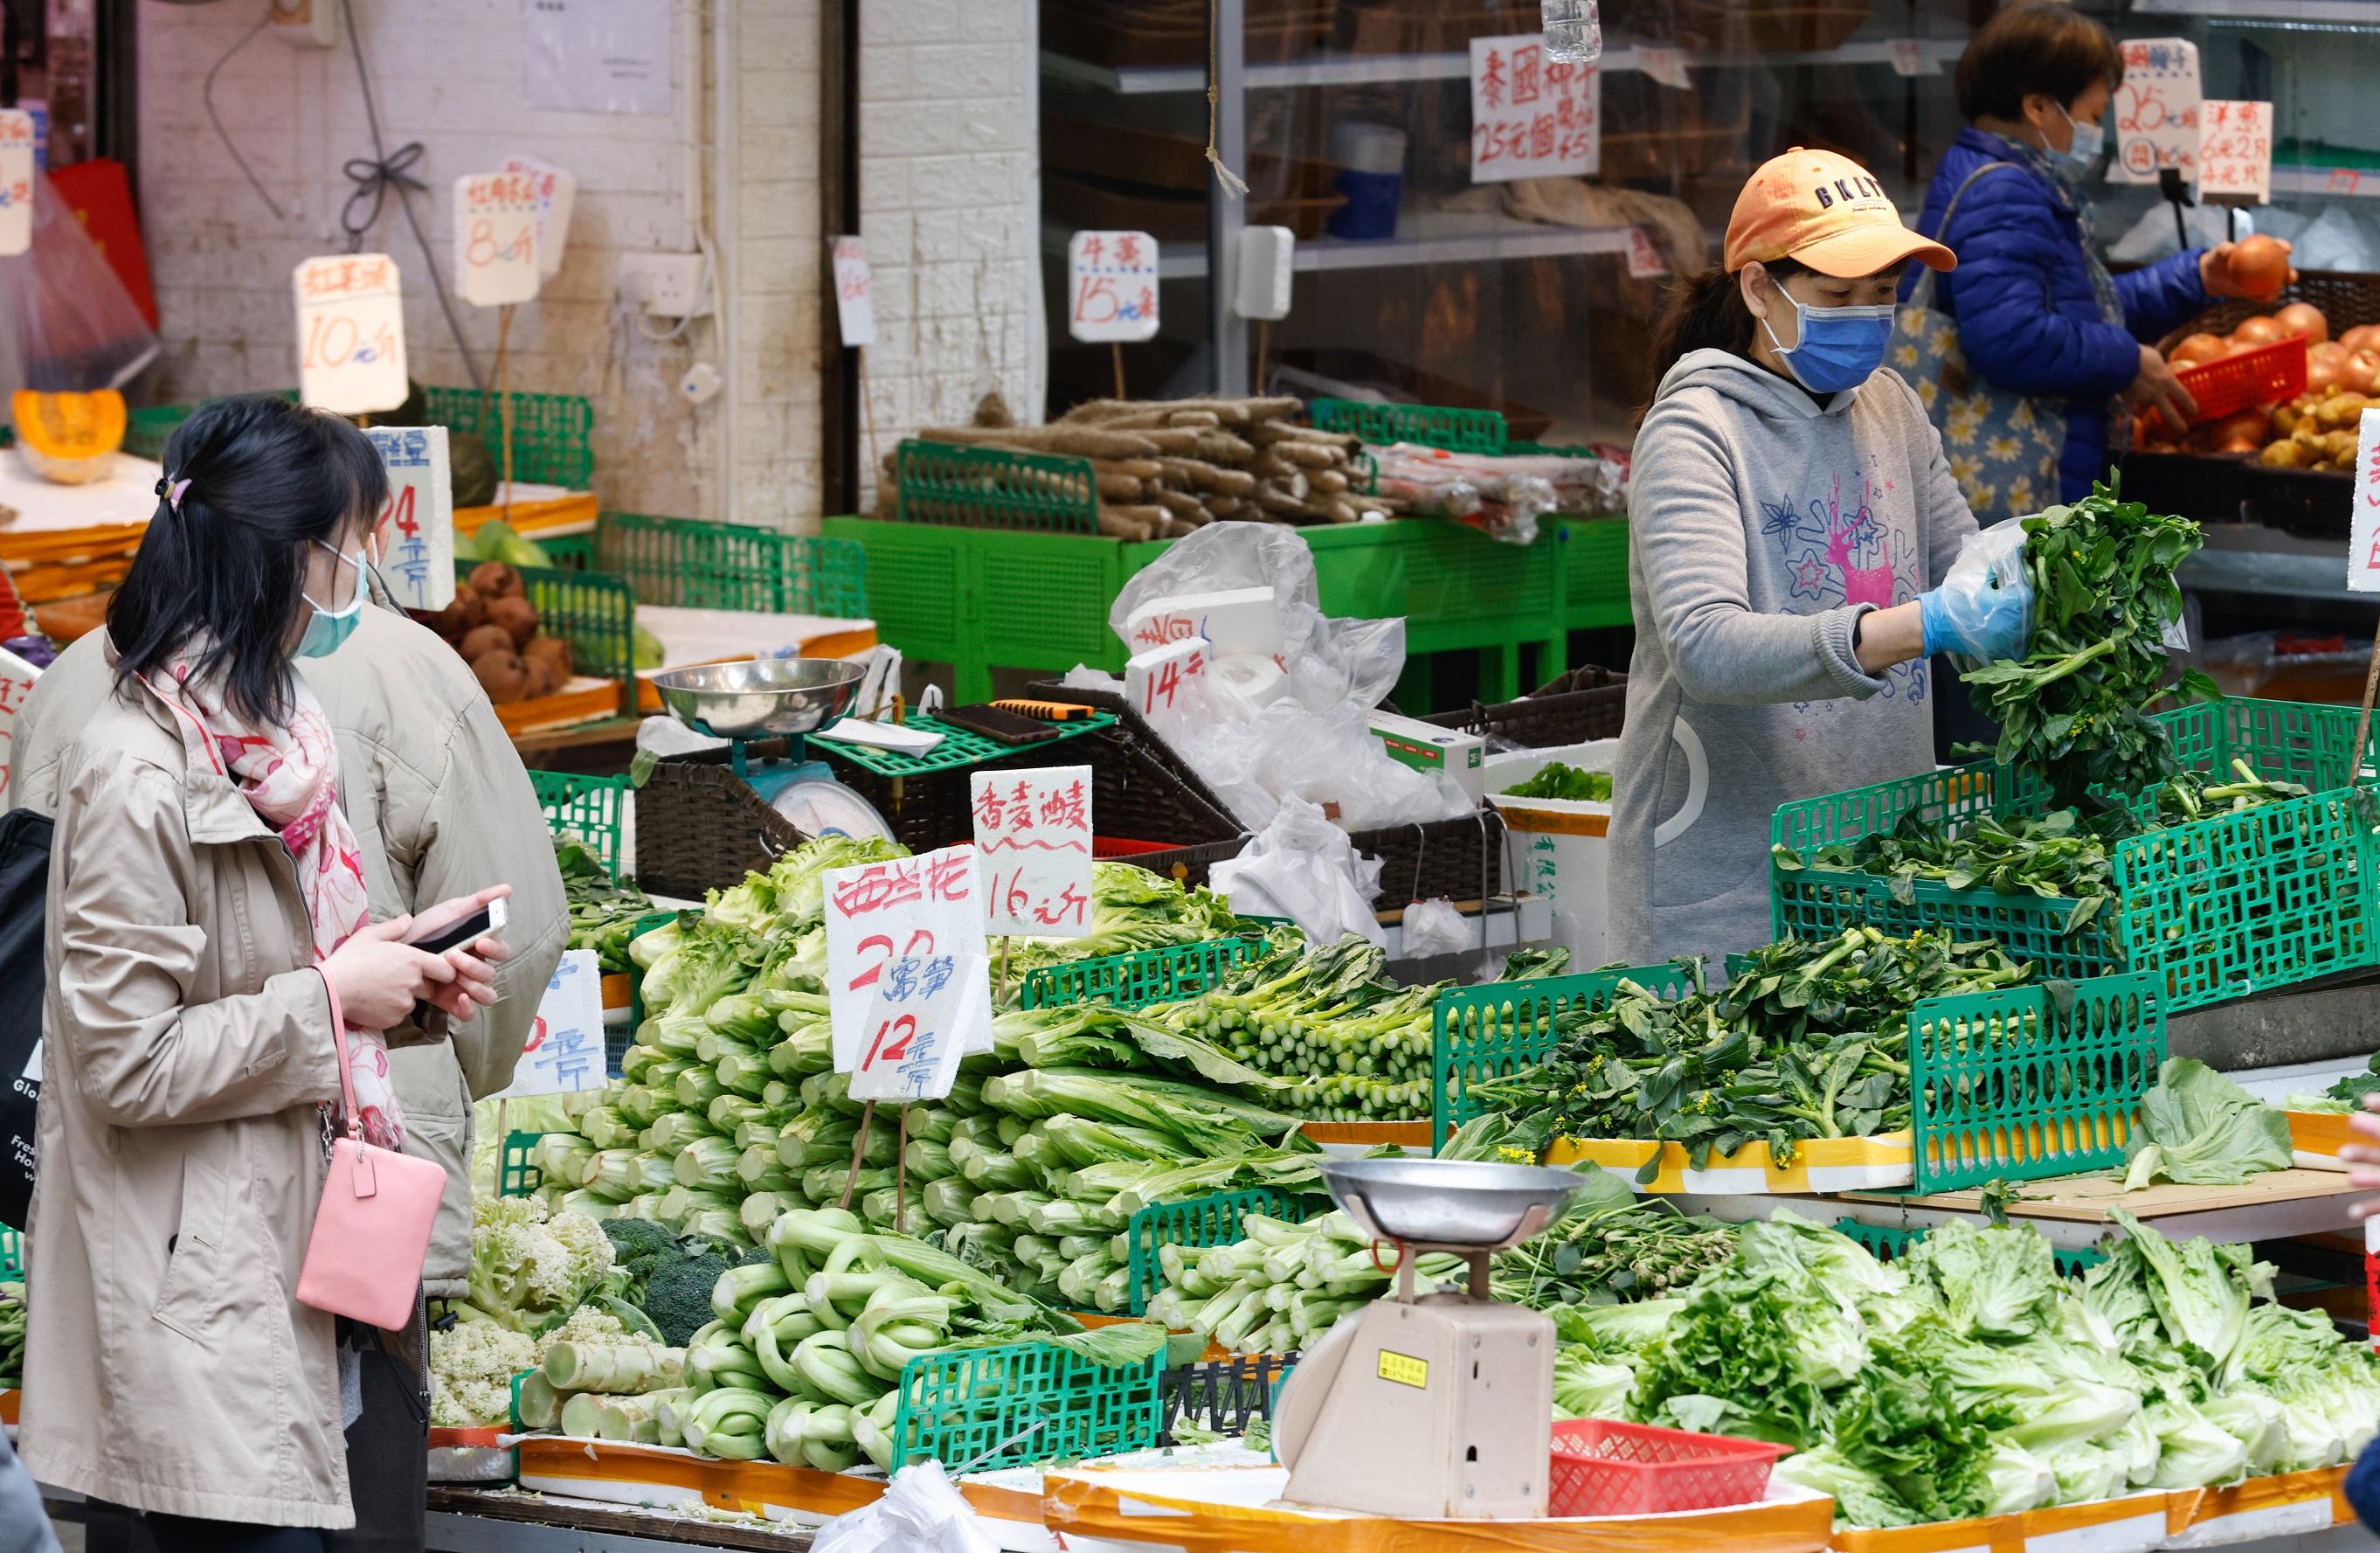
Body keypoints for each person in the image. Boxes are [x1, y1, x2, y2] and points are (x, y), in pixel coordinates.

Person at [9, 395, 511, 1550]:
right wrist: (335, 1002)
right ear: (283, 557)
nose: (357, 570)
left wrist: (396, 979)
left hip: (293, 1251)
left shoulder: (271, 737)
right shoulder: (136, 772)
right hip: (199, 1300)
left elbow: (262, 979)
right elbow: (125, 1062)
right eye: (345, 541)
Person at [1610, 148, 2031, 968]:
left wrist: (2040, 572)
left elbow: (1964, 563)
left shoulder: (1893, 409)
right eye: (1837, 296)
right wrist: (1921, 626)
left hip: (1878, 864)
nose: (1868, 318)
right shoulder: (1695, 430)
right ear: (1759, 288)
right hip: (1728, 880)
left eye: (1882, 296)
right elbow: (1706, 646)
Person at [1908, 2, 2287, 517]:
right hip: (2015, 482)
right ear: (2038, 107)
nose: (2094, 134)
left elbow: (2078, 313)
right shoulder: (2004, 192)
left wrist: (2197, 277)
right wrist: (2125, 361)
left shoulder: (2014, 180)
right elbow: (2009, 336)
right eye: (2090, 117)